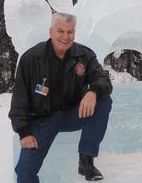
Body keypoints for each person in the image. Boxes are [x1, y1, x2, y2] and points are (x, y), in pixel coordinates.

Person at [9, 12, 113, 182]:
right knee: (24, 169)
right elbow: (19, 99)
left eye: (70, 32)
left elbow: (103, 79)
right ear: (51, 32)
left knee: (103, 100)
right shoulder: (31, 58)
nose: (66, 36)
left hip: (73, 114)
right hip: (43, 119)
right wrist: (24, 132)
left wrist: (93, 91)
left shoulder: (84, 55)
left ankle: (86, 160)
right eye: (60, 31)